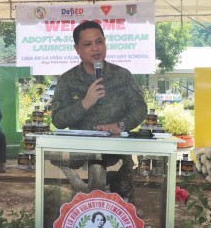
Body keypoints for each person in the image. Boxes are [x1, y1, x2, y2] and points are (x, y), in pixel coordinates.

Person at [51, 21, 147, 202]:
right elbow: (58, 119)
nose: (95, 48)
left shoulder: (122, 75)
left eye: (99, 42)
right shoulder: (68, 80)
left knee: (120, 214)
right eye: (87, 44)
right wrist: (85, 104)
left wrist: (120, 125)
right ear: (77, 49)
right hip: (80, 164)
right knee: (83, 215)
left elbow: (140, 107)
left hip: (117, 161)